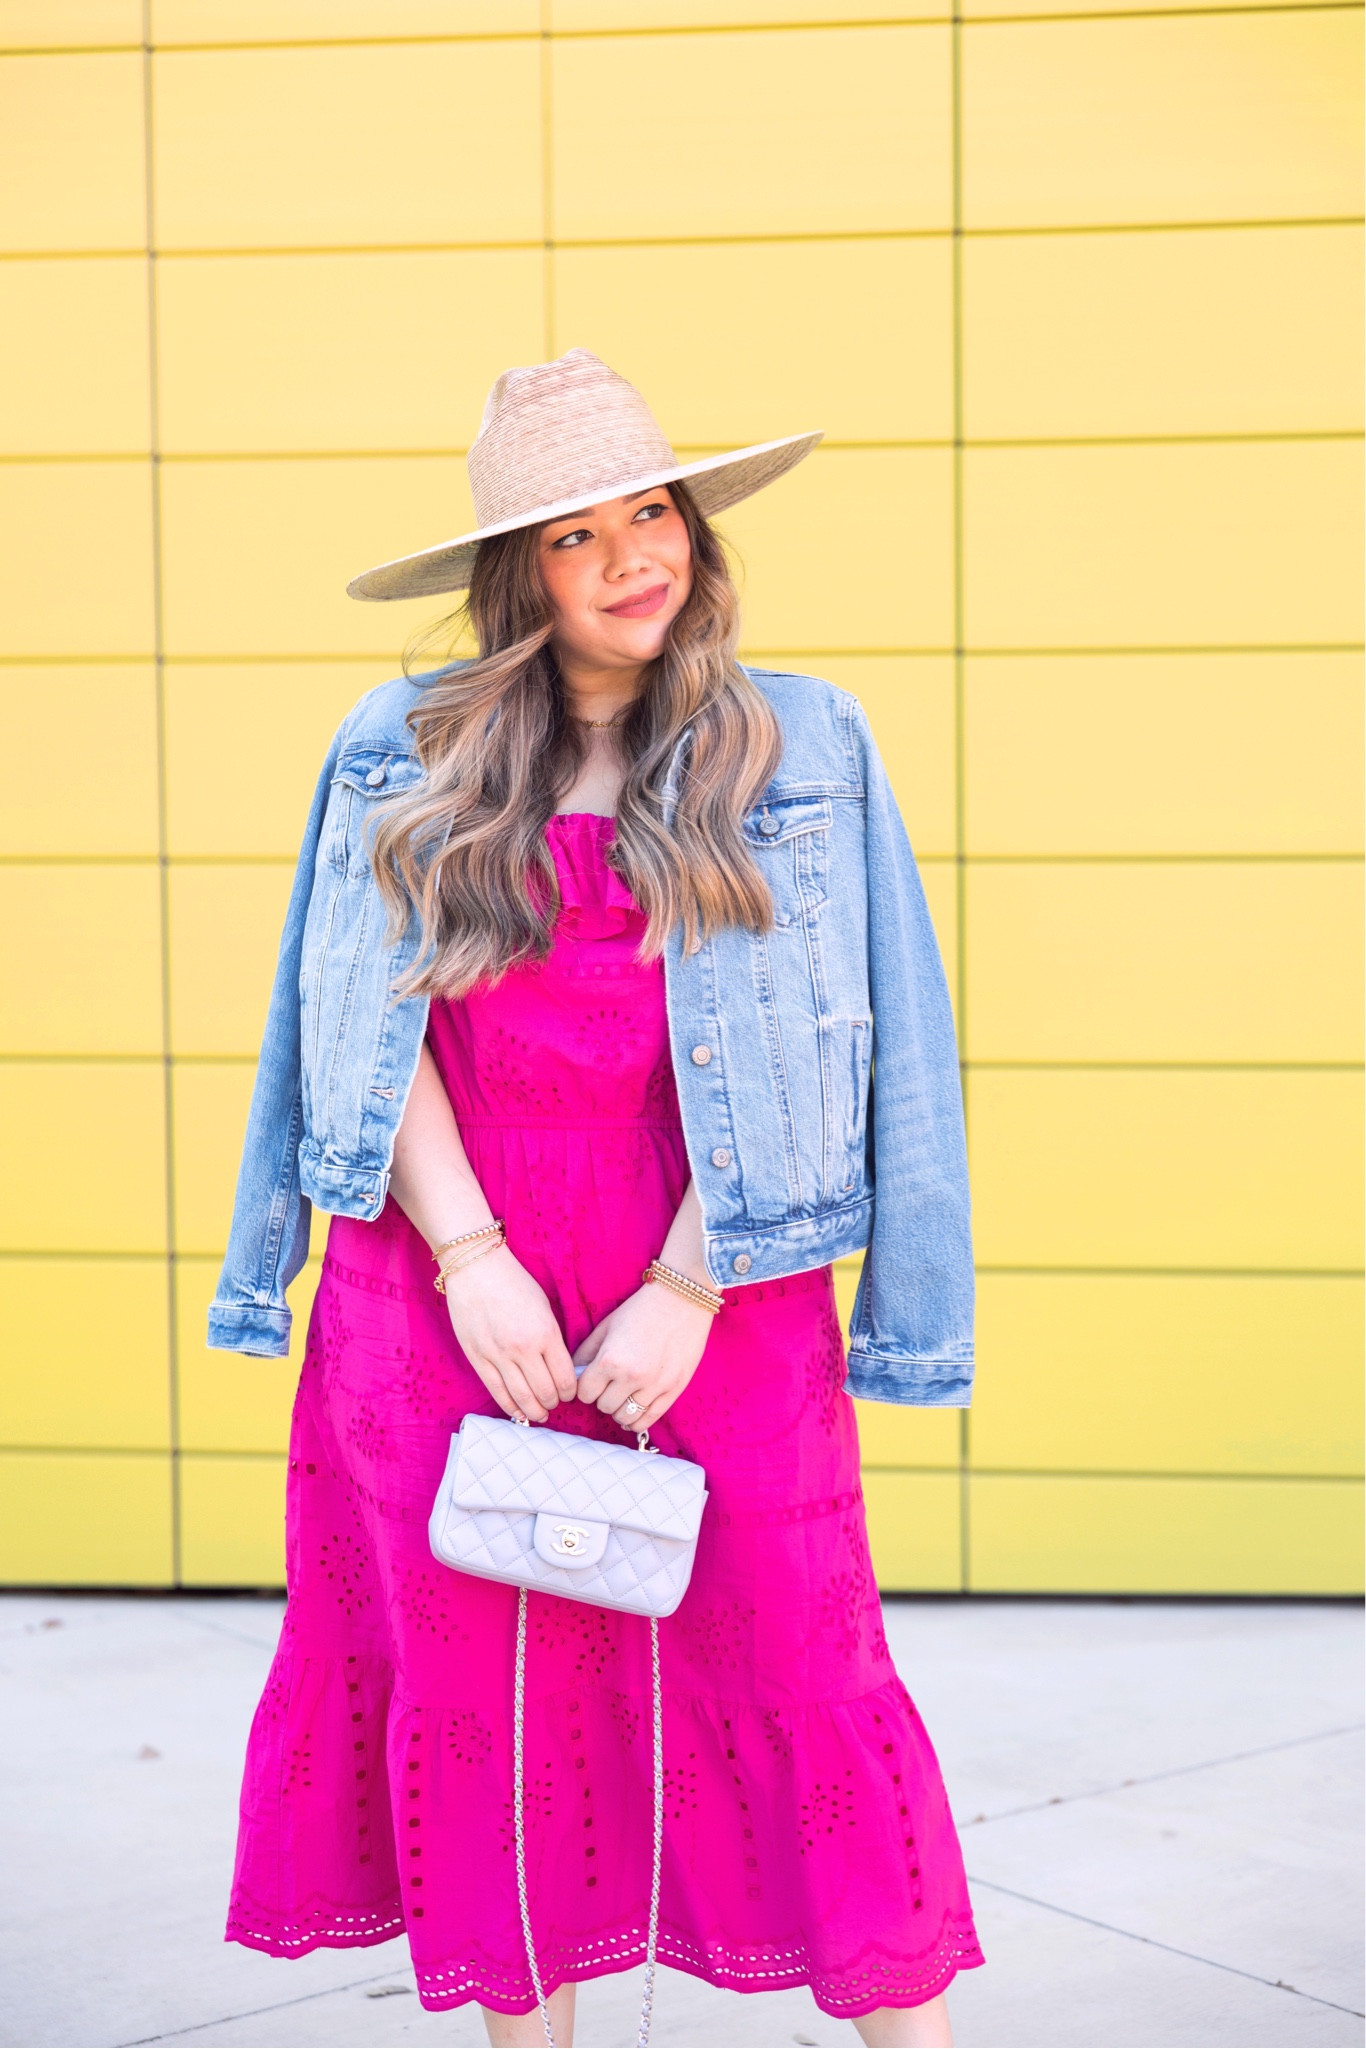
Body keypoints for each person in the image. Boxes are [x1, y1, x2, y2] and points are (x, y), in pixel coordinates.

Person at [210, 349, 983, 2047]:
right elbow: (352, 1017)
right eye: (579, 536)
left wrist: (694, 1282)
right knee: (497, 1698)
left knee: (799, 1664)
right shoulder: (401, 745)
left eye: (655, 514)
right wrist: (470, 1257)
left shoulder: (802, 742)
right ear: (517, 575)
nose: (638, 558)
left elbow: (874, 1037)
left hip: (721, 1261)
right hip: (440, 1276)